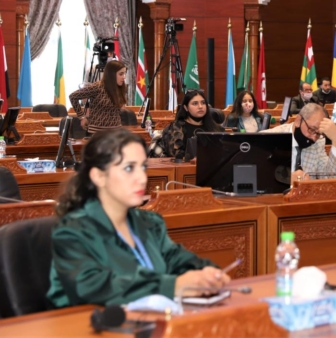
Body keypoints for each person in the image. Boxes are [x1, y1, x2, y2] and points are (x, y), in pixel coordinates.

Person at [48, 129, 229, 307]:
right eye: (129, 168)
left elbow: (178, 260)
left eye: (143, 167)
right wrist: (173, 286)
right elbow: (95, 287)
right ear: (98, 176)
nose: (142, 178)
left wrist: (208, 274)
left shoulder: (150, 223)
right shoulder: (72, 231)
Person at [264, 103, 336, 183]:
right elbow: (259, 178)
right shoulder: (268, 138)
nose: (314, 138)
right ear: (298, 120)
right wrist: (288, 179)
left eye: (318, 133)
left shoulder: (319, 141)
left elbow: (330, 179)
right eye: (311, 129)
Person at [151, 90, 223, 159]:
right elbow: (174, 156)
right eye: (195, 103)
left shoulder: (216, 128)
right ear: (186, 107)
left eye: (203, 103)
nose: (200, 106)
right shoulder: (175, 128)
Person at [69, 60, 127, 134]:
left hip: (116, 131)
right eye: (121, 74)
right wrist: (81, 117)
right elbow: (73, 96)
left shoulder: (120, 87)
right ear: (111, 74)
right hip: (97, 132)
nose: (124, 77)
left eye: (124, 73)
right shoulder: (97, 87)